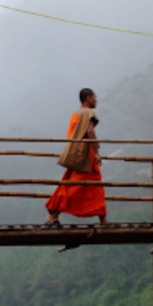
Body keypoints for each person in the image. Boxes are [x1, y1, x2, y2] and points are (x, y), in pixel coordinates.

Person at [45, 88, 108, 226]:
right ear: (87, 98)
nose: (96, 100)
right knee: (81, 186)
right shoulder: (88, 112)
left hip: (76, 154)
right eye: (94, 97)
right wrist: (96, 151)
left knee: (74, 183)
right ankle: (53, 215)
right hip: (85, 156)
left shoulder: (76, 113)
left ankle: (103, 219)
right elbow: (90, 131)